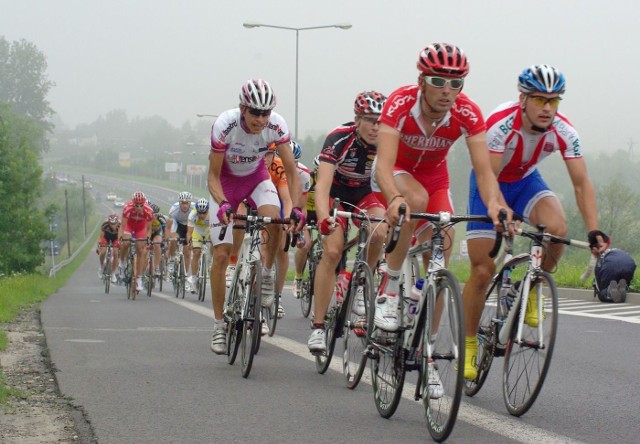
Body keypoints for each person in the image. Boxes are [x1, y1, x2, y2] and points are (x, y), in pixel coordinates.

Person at [462, 64, 609, 380]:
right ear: (523, 99)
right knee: (483, 269)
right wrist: (500, 209)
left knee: (557, 229)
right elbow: (489, 176)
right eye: (540, 100)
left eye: (554, 101)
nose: (547, 108)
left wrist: (594, 228)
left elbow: (581, 184)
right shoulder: (500, 125)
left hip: (526, 179)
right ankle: (470, 343)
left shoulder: (565, 131)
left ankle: (532, 286)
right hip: (491, 182)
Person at [372, 42, 510, 334]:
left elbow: (484, 172)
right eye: (438, 81)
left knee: (442, 251)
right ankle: (391, 286)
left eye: (455, 83)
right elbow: (383, 165)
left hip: (436, 178)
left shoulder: (468, 113)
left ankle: (428, 354)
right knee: (414, 199)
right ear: (422, 82)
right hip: (399, 171)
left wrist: (495, 205)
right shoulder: (400, 103)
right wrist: (394, 197)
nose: (447, 90)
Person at [208, 78, 305, 355]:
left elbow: (291, 169)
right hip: (227, 182)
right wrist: (224, 203)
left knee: (274, 218)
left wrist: (296, 208)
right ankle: (218, 325)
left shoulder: (276, 125)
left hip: (256, 178)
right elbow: (212, 175)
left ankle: (265, 272)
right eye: (255, 113)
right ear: (242, 108)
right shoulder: (225, 125)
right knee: (221, 255)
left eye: (265, 113)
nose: (261, 119)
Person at [307, 90, 389, 353]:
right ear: (357, 120)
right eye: (369, 120)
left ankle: (363, 282)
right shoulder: (339, 138)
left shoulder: (389, 141)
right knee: (331, 251)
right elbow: (322, 186)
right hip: (335, 193)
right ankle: (318, 328)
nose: (376, 126)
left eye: (380, 120)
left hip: (364, 191)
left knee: (379, 231)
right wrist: (322, 219)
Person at [292, 154, 320, 298]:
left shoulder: (335, 181)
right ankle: (298, 277)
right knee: (305, 245)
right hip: (306, 213)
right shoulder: (309, 178)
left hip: (321, 214)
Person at [118, 191, 154, 292]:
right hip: (129, 226)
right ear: (133, 203)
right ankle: (122, 263)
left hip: (141, 227)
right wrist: (121, 237)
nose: (138, 207)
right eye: (136, 205)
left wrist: (147, 238)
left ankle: (139, 278)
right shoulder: (127, 208)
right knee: (126, 242)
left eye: (141, 205)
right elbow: (123, 226)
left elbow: (149, 229)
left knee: (141, 250)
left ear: (144, 204)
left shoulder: (148, 210)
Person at [165, 191, 195, 287]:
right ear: (179, 203)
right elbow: (168, 227)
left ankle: (185, 274)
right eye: (183, 203)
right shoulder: (174, 209)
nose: (185, 205)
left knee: (187, 251)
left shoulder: (194, 208)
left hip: (190, 226)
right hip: (178, 225)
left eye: (187, 203)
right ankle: (172, 260)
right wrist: (166, 240)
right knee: (174, 239)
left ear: (190, 203)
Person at [186, 198, 211, 293]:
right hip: (197, 231)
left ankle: (210, 263)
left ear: (207, 211)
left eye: (204, 213)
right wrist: (189, 242)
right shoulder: (192, 215)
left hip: (208, 230)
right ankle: (193, 277)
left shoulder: (212, 214)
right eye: (200, 213)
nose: (201, 215)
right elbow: (189, 232)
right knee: (196, 252)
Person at [97, 213, 120, 283]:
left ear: (117, 222)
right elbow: (101, 236)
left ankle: (113, 273)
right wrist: (99, 245)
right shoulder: (105, 224)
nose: (113, 226)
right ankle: (101, 267)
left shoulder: (120, 225)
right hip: (106, 237)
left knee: (116, 253)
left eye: (114, 224)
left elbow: (121, 236)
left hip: (115, 238)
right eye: (111, 224)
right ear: (108, 222)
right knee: (103, 251)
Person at [149, 203, 167, 277]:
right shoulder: (146, 217)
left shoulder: (161, 218)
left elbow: (165, 230)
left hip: (157, 232)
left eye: (156, 214)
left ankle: (156, 266)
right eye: (153, 214)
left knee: (157, 244)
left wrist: (165, 240)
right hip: (148, 233)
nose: (154, 216)